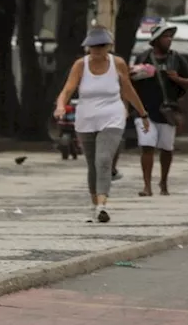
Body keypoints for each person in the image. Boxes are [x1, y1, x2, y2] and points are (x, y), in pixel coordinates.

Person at [54, 26, 150, 223]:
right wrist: (60, 106)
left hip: (112, 117)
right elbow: (67, 89)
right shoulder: (80, 65)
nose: (96, 50)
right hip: (86, 118)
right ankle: (95, 205)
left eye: (101, 46)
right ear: (87, 47)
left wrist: (143, 114)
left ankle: (102, 206)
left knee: (103, 159)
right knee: (92, 165)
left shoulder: (118, 64)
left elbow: (128, 91)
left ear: (109, 46)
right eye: (93, 46)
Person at [132, 24, 188, 196]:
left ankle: (164, 182)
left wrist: (177, 78)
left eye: (170, 37)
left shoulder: (177, 59)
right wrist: (139, 73)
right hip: (145, 110)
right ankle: (147, 185)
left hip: (168, 110)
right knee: (147, 145)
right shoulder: (143, 57)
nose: (169, 40)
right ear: (156, 40)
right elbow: (131, 80)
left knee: (167, 148)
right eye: (165, 37)